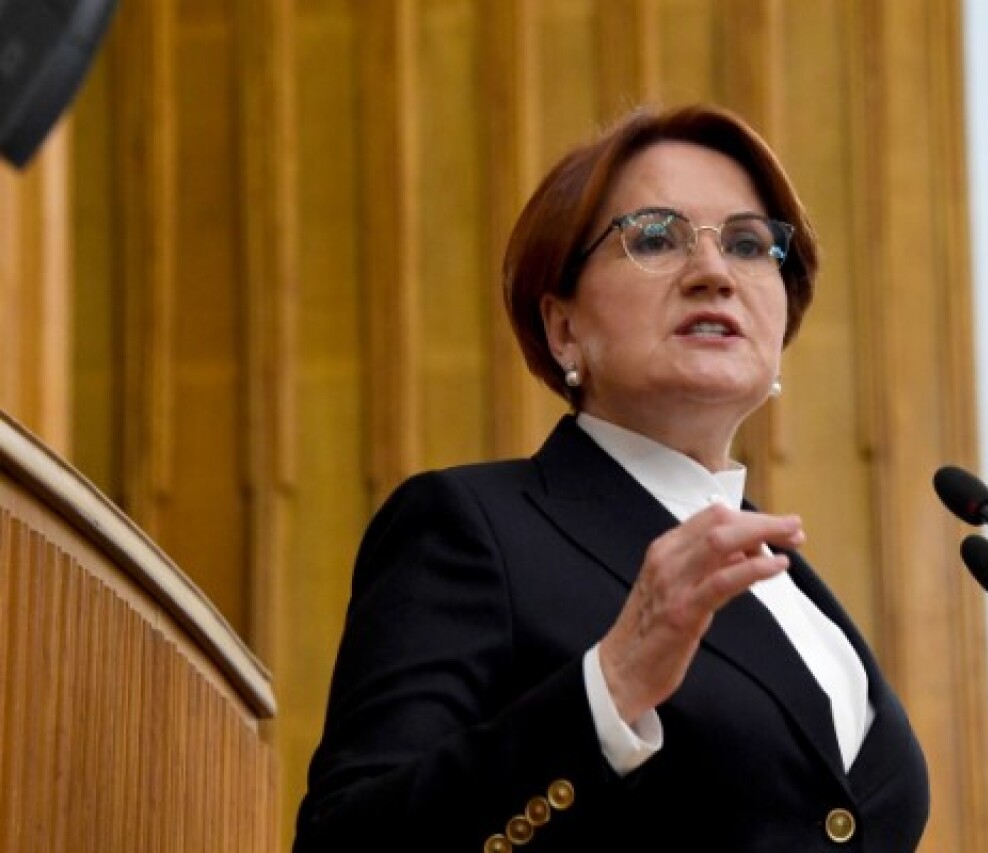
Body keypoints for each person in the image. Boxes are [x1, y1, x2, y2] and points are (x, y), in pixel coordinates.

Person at [293, 102, 930, 852]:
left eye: (749, 244)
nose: (714, 273)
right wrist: (609, 687)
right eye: (655, 238)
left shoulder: (794, 592)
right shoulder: (470, 527)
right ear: (564, 328)